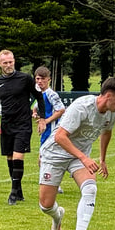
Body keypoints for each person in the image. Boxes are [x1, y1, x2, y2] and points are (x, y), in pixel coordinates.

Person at [38, 76, 115, 230]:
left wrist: (102, 159)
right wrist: (84, 158)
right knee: (46, 205)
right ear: (108, 95)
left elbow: (106, 132)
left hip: (78, 157)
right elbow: (60, 137)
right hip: (55, 154)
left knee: (90, 189)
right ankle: (57, 217)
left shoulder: (112, 112)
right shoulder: (82, 107)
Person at [0, 49, 46, 205]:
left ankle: (13, 193)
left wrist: (42, 118)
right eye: (6, 63)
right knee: (9, 157)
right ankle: (19, 190)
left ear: (14, 61)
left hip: (23, 124)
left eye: (11, 62)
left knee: (17, 157)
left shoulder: (25, 78)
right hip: (7, 124)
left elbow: (39, 98)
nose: (9, 65)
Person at [31, 66, 66, 194]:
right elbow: (35, 107)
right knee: (44, 158)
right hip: (45, 131)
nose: (39, 81)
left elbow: (61, 110)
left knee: (45, 158)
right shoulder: (39, 93)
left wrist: (46, 120)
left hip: (52, 130)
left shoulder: (51, 94)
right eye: (37, 79)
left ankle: (53, 184)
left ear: (49, 80)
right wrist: (35, 114)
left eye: (42, 79)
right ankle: (51, 183)